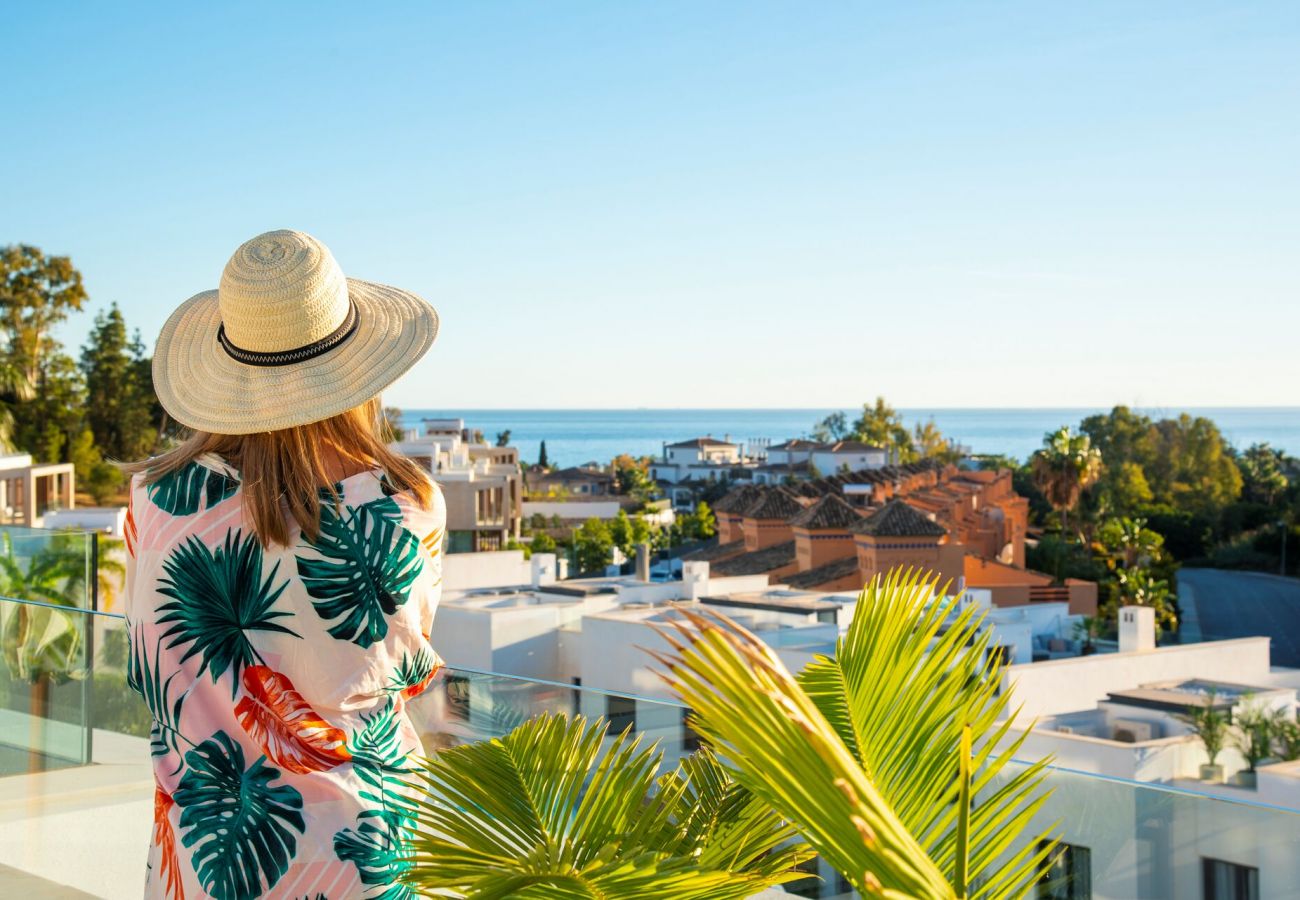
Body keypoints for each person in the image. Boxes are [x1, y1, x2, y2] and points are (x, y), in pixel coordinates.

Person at [124, 229, 444, 899]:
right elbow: (395, 677)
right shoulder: (406, 506)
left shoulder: (154, 501)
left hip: (206, 859)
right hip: (363, 853)